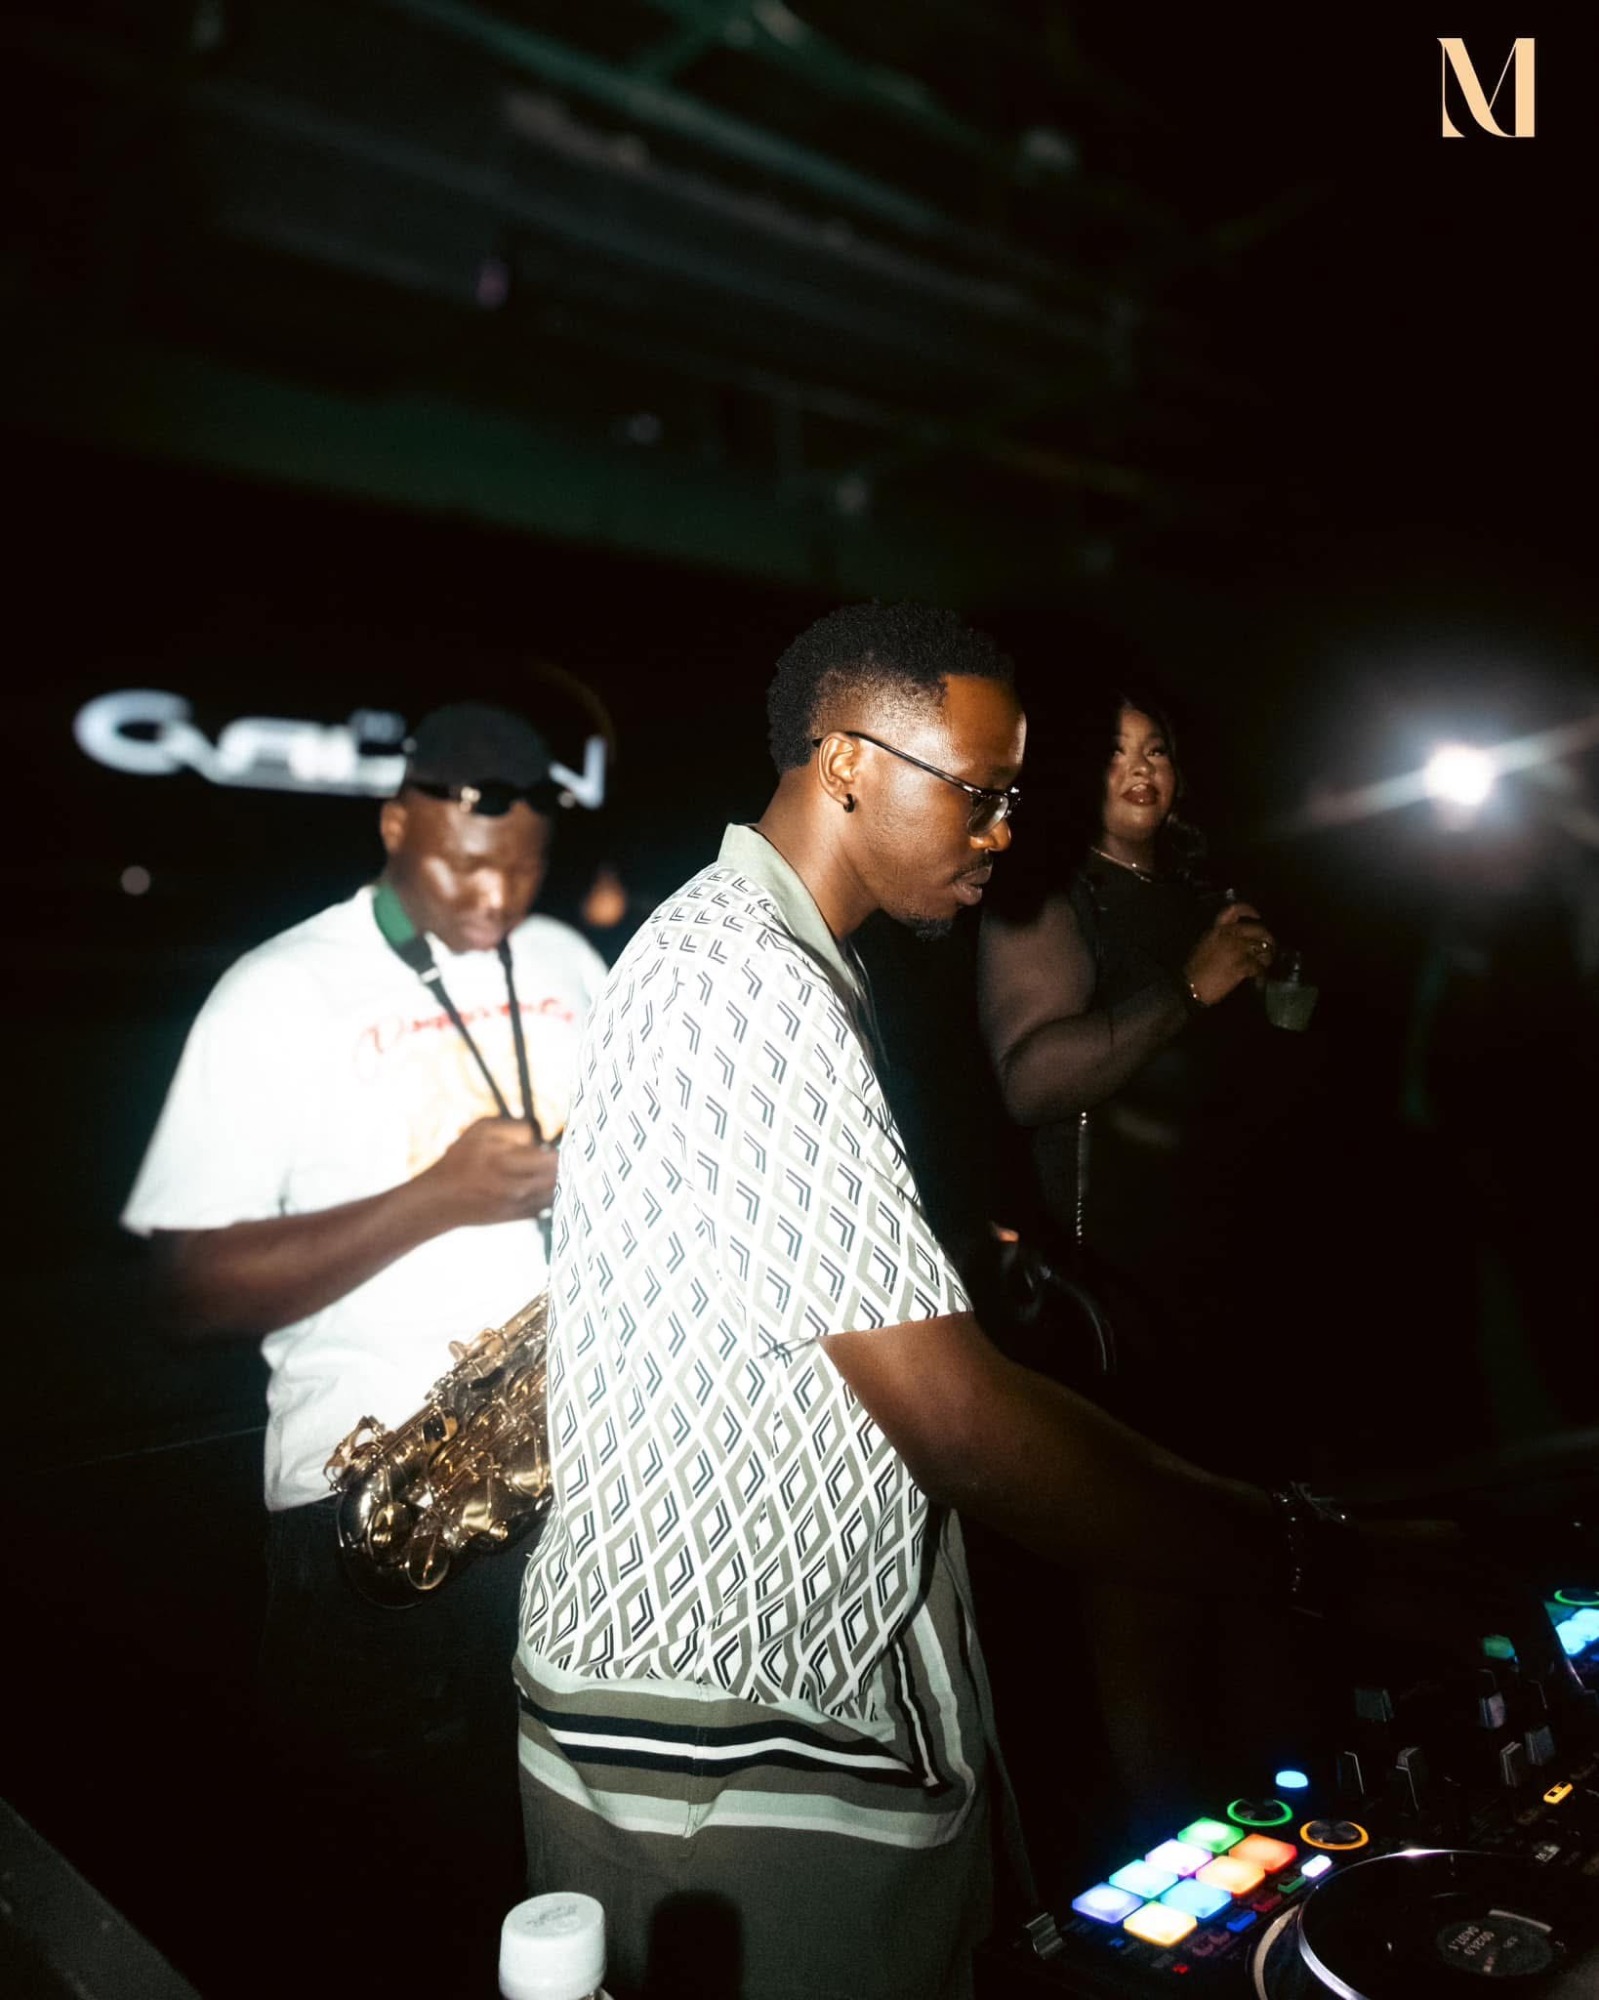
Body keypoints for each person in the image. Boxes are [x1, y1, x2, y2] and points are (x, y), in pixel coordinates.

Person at [510, 606, 1479, 2000]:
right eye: (978, 794)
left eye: (1012, 798)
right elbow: (961, 1428)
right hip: (722, 1754)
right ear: (849, 765)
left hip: (785, 1722)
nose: (1004, 833)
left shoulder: (783, 957)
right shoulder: (738, 979)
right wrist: (1315, 1557)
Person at [123, 700, 608, 1998]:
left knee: (569, 1901)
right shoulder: (279, 991)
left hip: (582, 1499)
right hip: (384, 1524)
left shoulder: (568, 960)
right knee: (392, 1909)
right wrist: (436, 1201)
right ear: (396, 824)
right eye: (463, 865)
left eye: (524, 868)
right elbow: (183, 1293)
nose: (495, 899)